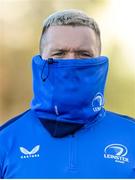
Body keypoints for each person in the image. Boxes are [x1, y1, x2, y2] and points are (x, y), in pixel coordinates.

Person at [0, 9, 135, 179]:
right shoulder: (6, 140)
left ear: (98, 60)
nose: (71, 62)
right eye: (59, 53)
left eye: (83, 54)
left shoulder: (131, 136)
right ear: (41, 60)